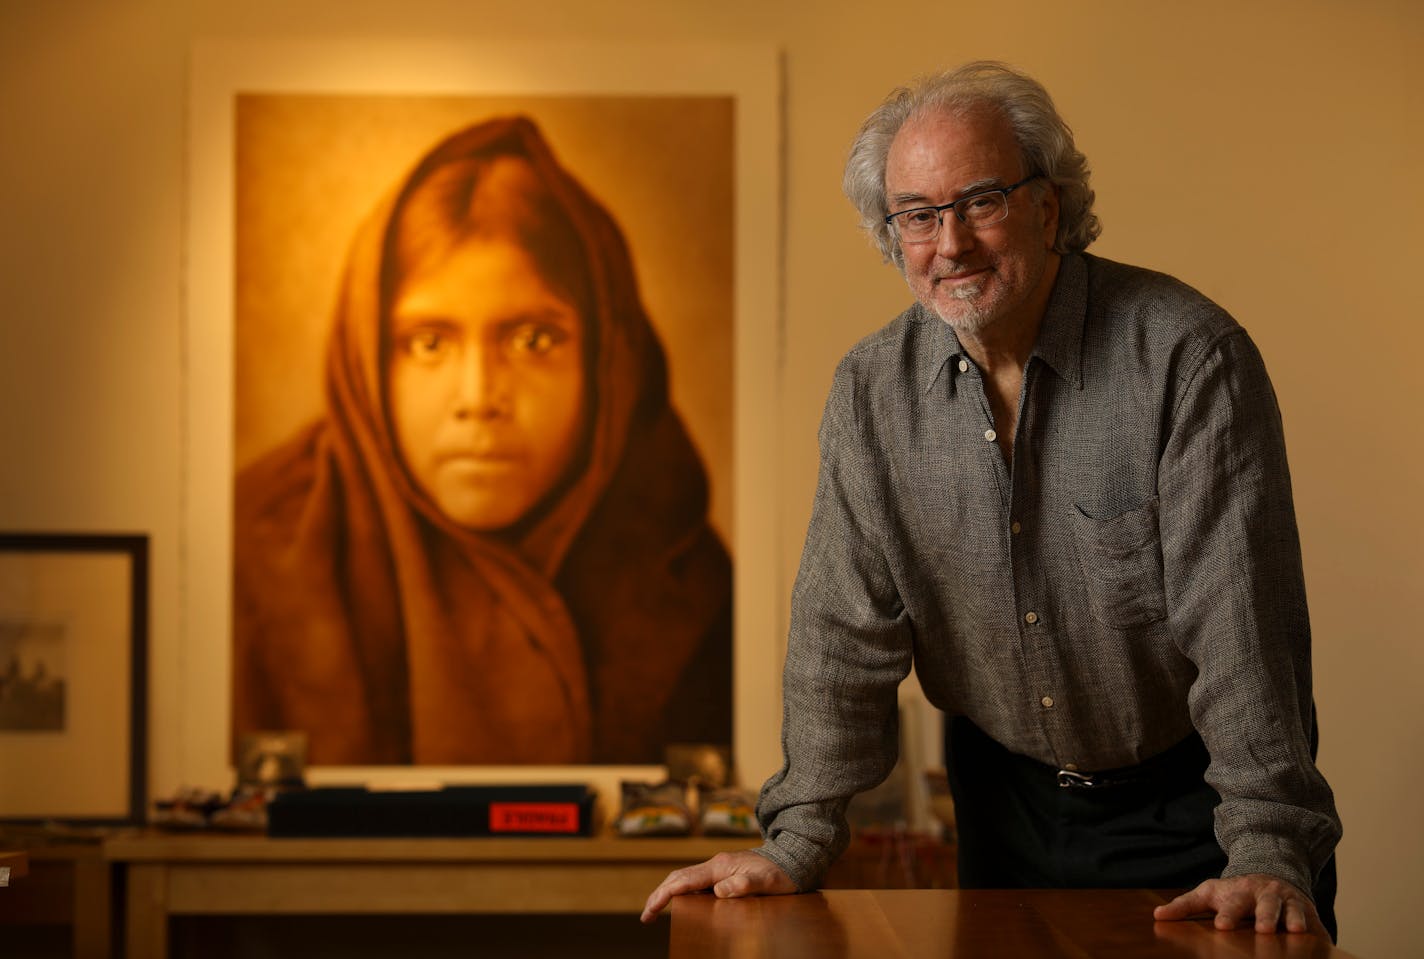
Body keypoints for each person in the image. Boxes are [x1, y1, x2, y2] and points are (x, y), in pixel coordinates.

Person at [642, 61, 1342, 940]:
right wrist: (796, 841)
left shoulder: (1187, 359)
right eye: (918, 216)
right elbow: (841, 635)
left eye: (980, 201)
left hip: (1195, 816)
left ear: (1048, 207)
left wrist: (1270, 851)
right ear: (892, 235)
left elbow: (1243, 635)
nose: (951, 244)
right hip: (1003, 809)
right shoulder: (871, 392)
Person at [233, 116, 731, 766]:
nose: (478, 396)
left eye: (532, 340)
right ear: (366, 361)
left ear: (609, 360)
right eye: (428, 343)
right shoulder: (263, 552)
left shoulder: (680, 566)